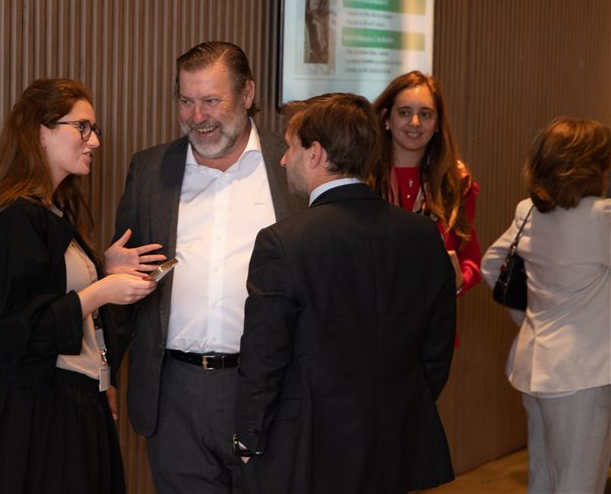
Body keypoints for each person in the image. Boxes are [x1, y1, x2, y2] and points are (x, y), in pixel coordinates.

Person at [234, 93, 457, 493]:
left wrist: (248, 438)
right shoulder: (423, 235)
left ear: (315, 153)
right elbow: (437, 347)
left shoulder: (283, 242)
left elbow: (264, 356)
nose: (284, 160)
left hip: (309, 450)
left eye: (291, 146)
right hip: (397, 444)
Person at [113, 41, 305, 493]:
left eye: (211, 101)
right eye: (186, 101)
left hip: (272, 390)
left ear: (247, 94)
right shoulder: (150, 170)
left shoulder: (291, 166)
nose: (197, 116)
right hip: (174, 394)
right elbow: (125, 282)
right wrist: (108, 372)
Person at [0, 78, 162, 494]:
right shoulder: (13, 220)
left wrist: (102, 270)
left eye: (94, 129)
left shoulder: (50, 212)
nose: (94, 141)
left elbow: (52, 293)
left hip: (72, 403)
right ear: (40, 133)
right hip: (39, 414)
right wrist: (102, 290)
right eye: (82, 127)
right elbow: (18, 331)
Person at [482, 117, 611, 494]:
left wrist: (528, 318)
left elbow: (492, 265)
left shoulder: (529, 210)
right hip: (582, 373)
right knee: (578, 483)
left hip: (533, 362)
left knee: (543, 477)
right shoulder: (601, 218)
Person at [369, 71, 481, 302]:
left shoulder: (457, 182)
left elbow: (470, 258)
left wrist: (458, 280)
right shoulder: (364, 178)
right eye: (404, 112)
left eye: (425, 114)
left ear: (437, 122)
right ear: (387, 118)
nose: (415, 122)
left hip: (433, 316)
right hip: (372, 315)